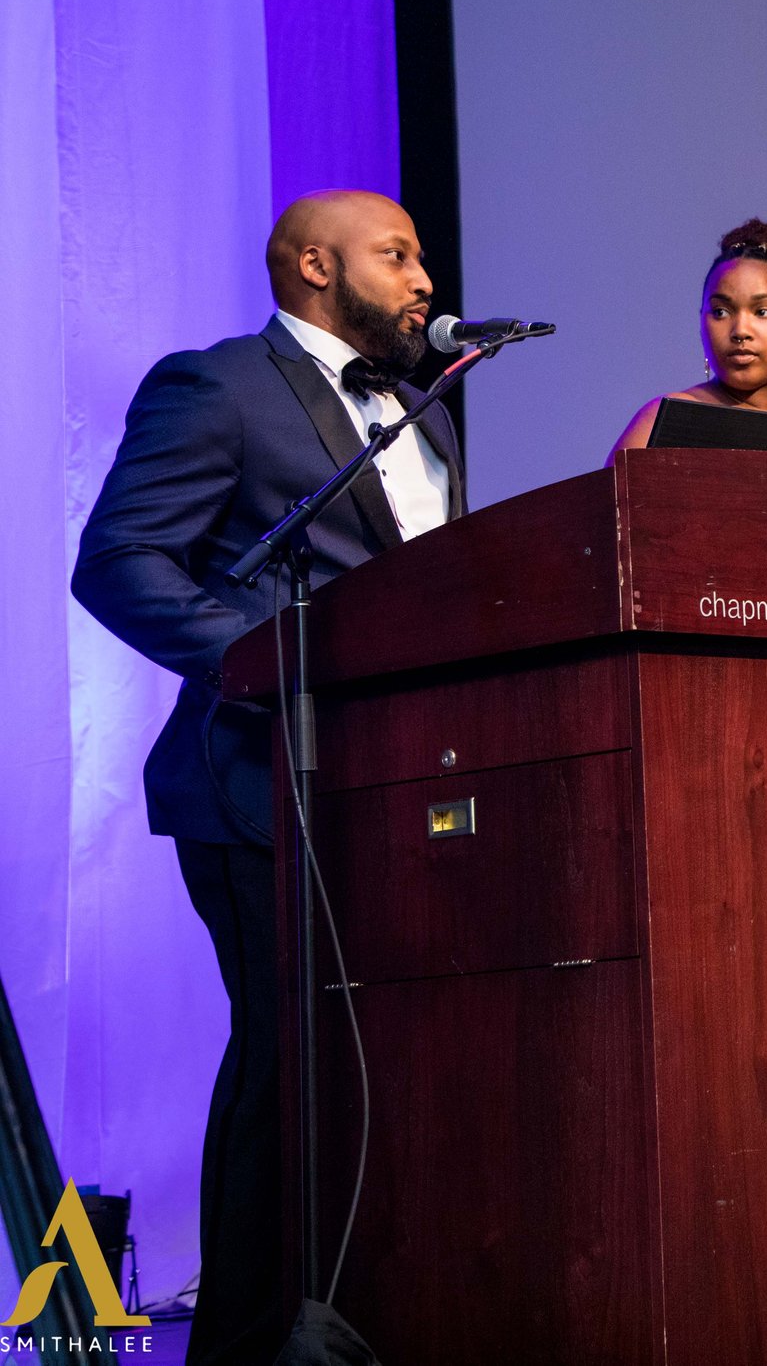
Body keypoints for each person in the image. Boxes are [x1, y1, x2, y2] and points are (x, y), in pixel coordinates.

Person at [71, 190, 464, 1364]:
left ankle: (359, 1312)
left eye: (420, 255)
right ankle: (243, 1341)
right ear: (313, 267)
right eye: (395, 255)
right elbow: (119, 559)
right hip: (256, 784)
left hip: (395, 780)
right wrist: (267, 653)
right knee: (287, 1057)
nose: (424, 277)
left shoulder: (422, 410)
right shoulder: (220, 386)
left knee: (380, 1059)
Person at [610, 217, 767, 460]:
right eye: (721, 312)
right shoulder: (667, 419)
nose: (740, 330)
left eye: (762, 312)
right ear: (701, 321)